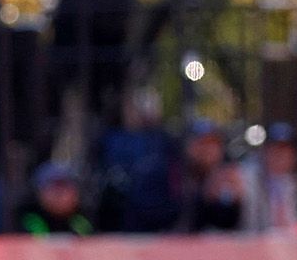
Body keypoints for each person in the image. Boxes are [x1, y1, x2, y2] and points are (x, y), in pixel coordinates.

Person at [95, 88, 184, 232]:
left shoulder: (166, 141)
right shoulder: (112, 139)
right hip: (125, 212)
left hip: (162, 210)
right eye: (139, 106)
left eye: (151, 105)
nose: (145, 111)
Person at [178, 119, 246, 233]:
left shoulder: (226, 177)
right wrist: (203, 195)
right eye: (201, 143)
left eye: (213, 143)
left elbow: (226, 224)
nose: (207, 149)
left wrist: (236, 203)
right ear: (189, 146)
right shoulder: (175, 175)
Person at [17, 162, 95, 237]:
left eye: (65, 187)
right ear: (38, 193)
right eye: (54, 188)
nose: (60, 195)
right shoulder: (27, 221)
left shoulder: (83, 221)